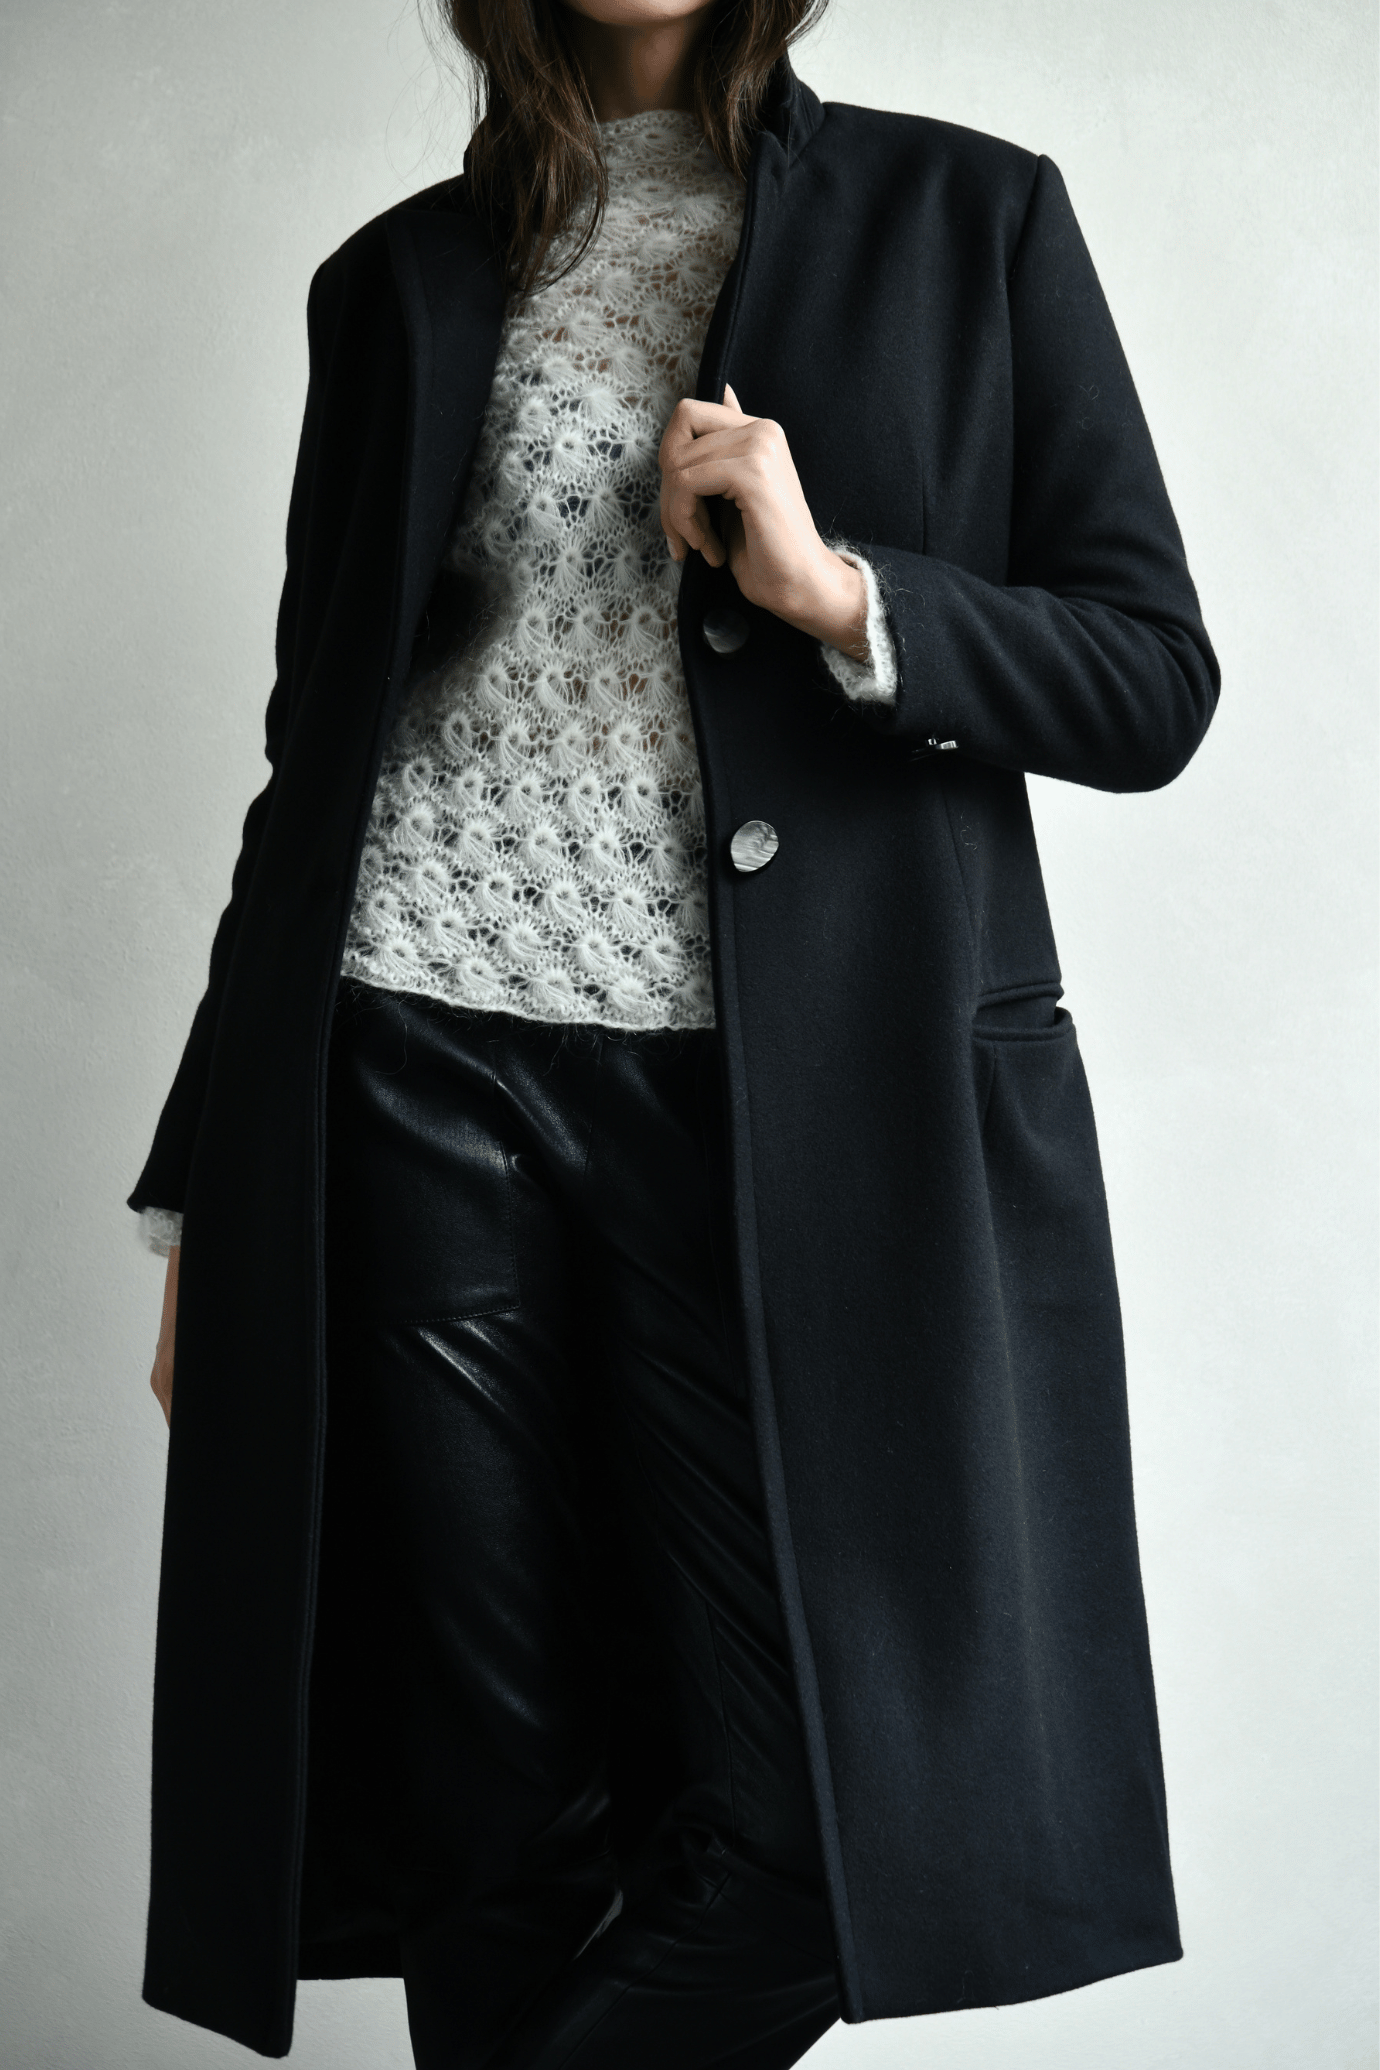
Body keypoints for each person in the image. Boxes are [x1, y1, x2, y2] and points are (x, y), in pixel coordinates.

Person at [132, 1, 1220, 2064]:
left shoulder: (966, 219)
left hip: (789, 1105)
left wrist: (844, 591)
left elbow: (1152, 675)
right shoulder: (394, 281)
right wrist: (204, 1196)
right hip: (406, 1061)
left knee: (819, 1824)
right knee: (489, 1818)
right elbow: (315, 754)